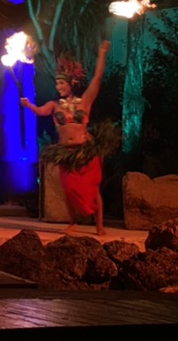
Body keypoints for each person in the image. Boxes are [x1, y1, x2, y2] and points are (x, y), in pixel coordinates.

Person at [20, 41, 117, 236]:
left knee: (93, 189)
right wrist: (29, 105)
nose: (58, 86)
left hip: (86, 152)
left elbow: (97, 78)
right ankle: (74, 222)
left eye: (61, 83)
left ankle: (99, 225)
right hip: (66, 153)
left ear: (71, 83)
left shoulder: (85, 102)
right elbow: (40, 111)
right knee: (69, 188)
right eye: (57, 83)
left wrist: (102, 54)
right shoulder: (54, 105)